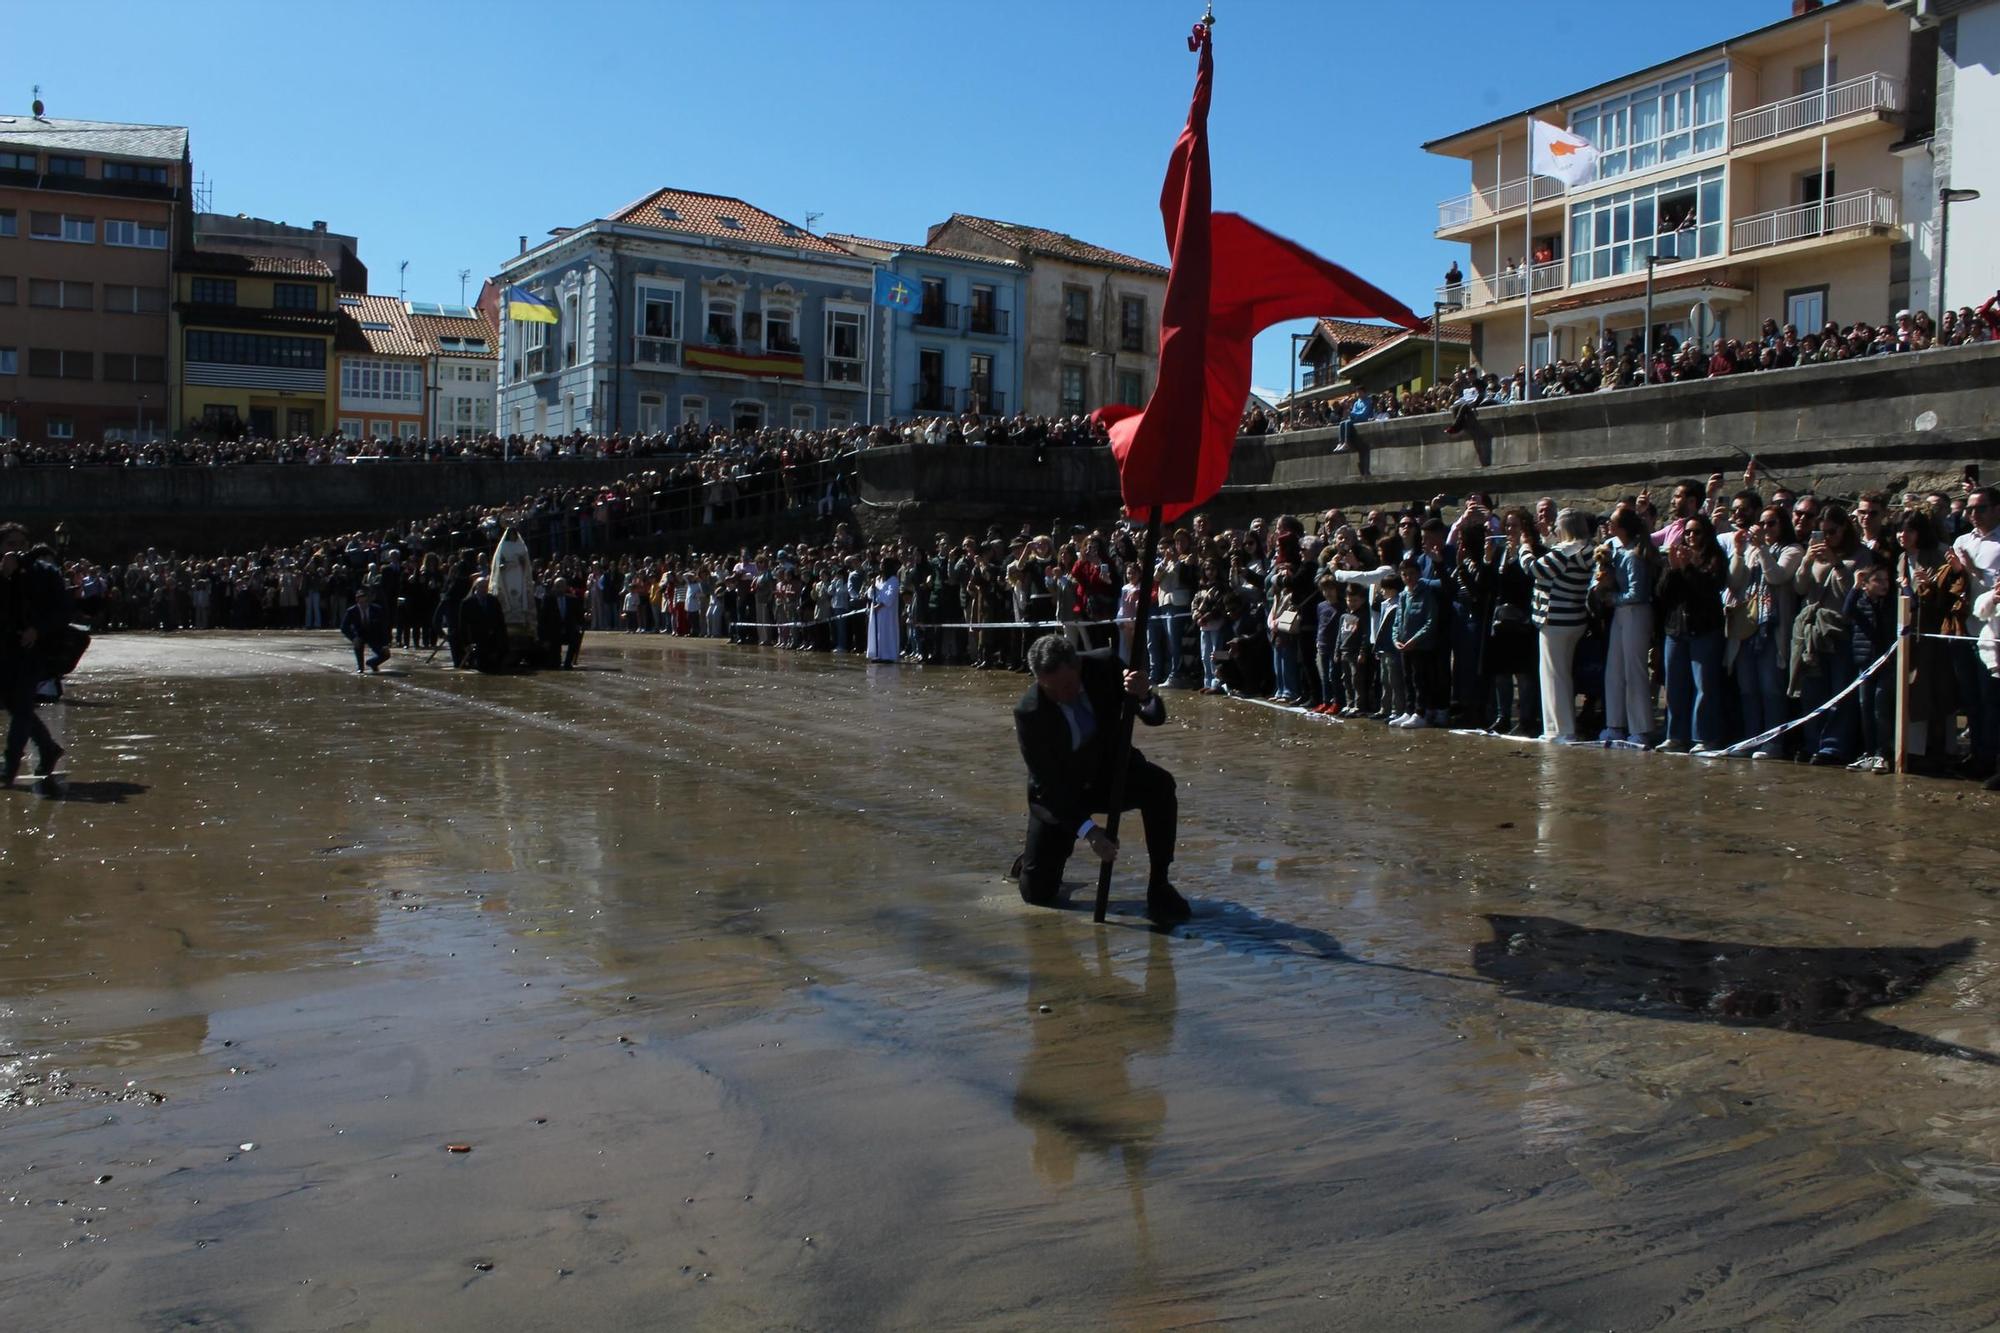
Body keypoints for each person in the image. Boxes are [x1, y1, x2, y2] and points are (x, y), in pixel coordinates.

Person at [1013, 634, 1190, 925]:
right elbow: (1048, 785)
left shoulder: (1105, 665)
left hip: (1111, 774)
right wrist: (1090, 832)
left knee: (1160, 785)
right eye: (1051, 690)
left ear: (1078, 666)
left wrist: (1145, 694)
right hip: (1062, 795)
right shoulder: (1029, 712)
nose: (1062, 696)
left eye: (1068, 686)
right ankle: (1032, 860)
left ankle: (1160, 882)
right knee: (1038, 893)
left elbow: (1154, 716)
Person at [0, 546, 64, 787]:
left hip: (34, 650)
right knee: (14, 704)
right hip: (6, 650)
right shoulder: (4, 574)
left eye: (19, 544)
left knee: (23, 705)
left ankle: (10, 766)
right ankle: (48, 749)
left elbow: (62, 611)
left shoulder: (44, 573)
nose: (13, 551)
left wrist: (38, 629)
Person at [340, 587, 392, 674]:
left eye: (365, 600)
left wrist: (385, 644)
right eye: (361, 600)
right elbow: (344, 627)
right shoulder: (351, 611)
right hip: (360, 635)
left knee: (386, 654)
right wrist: (353, 638)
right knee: (358, 644)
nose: (363, 603)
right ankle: (360, 667)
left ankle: (372, 663)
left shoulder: (377, 609)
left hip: (374, 635)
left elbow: (384, 627)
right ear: (357, 600)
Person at [865, 555, 901, 663]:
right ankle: (878, 654)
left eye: (882, 564)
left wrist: (879, 606)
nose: (880, 566)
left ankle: (888, 655)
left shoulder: (893, 580)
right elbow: (871, 595)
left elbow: (889, 596)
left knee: (886, 631)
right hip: (876, 611)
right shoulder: (878, 579)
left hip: (886, 612)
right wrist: (872, 587)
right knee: (877, 632)